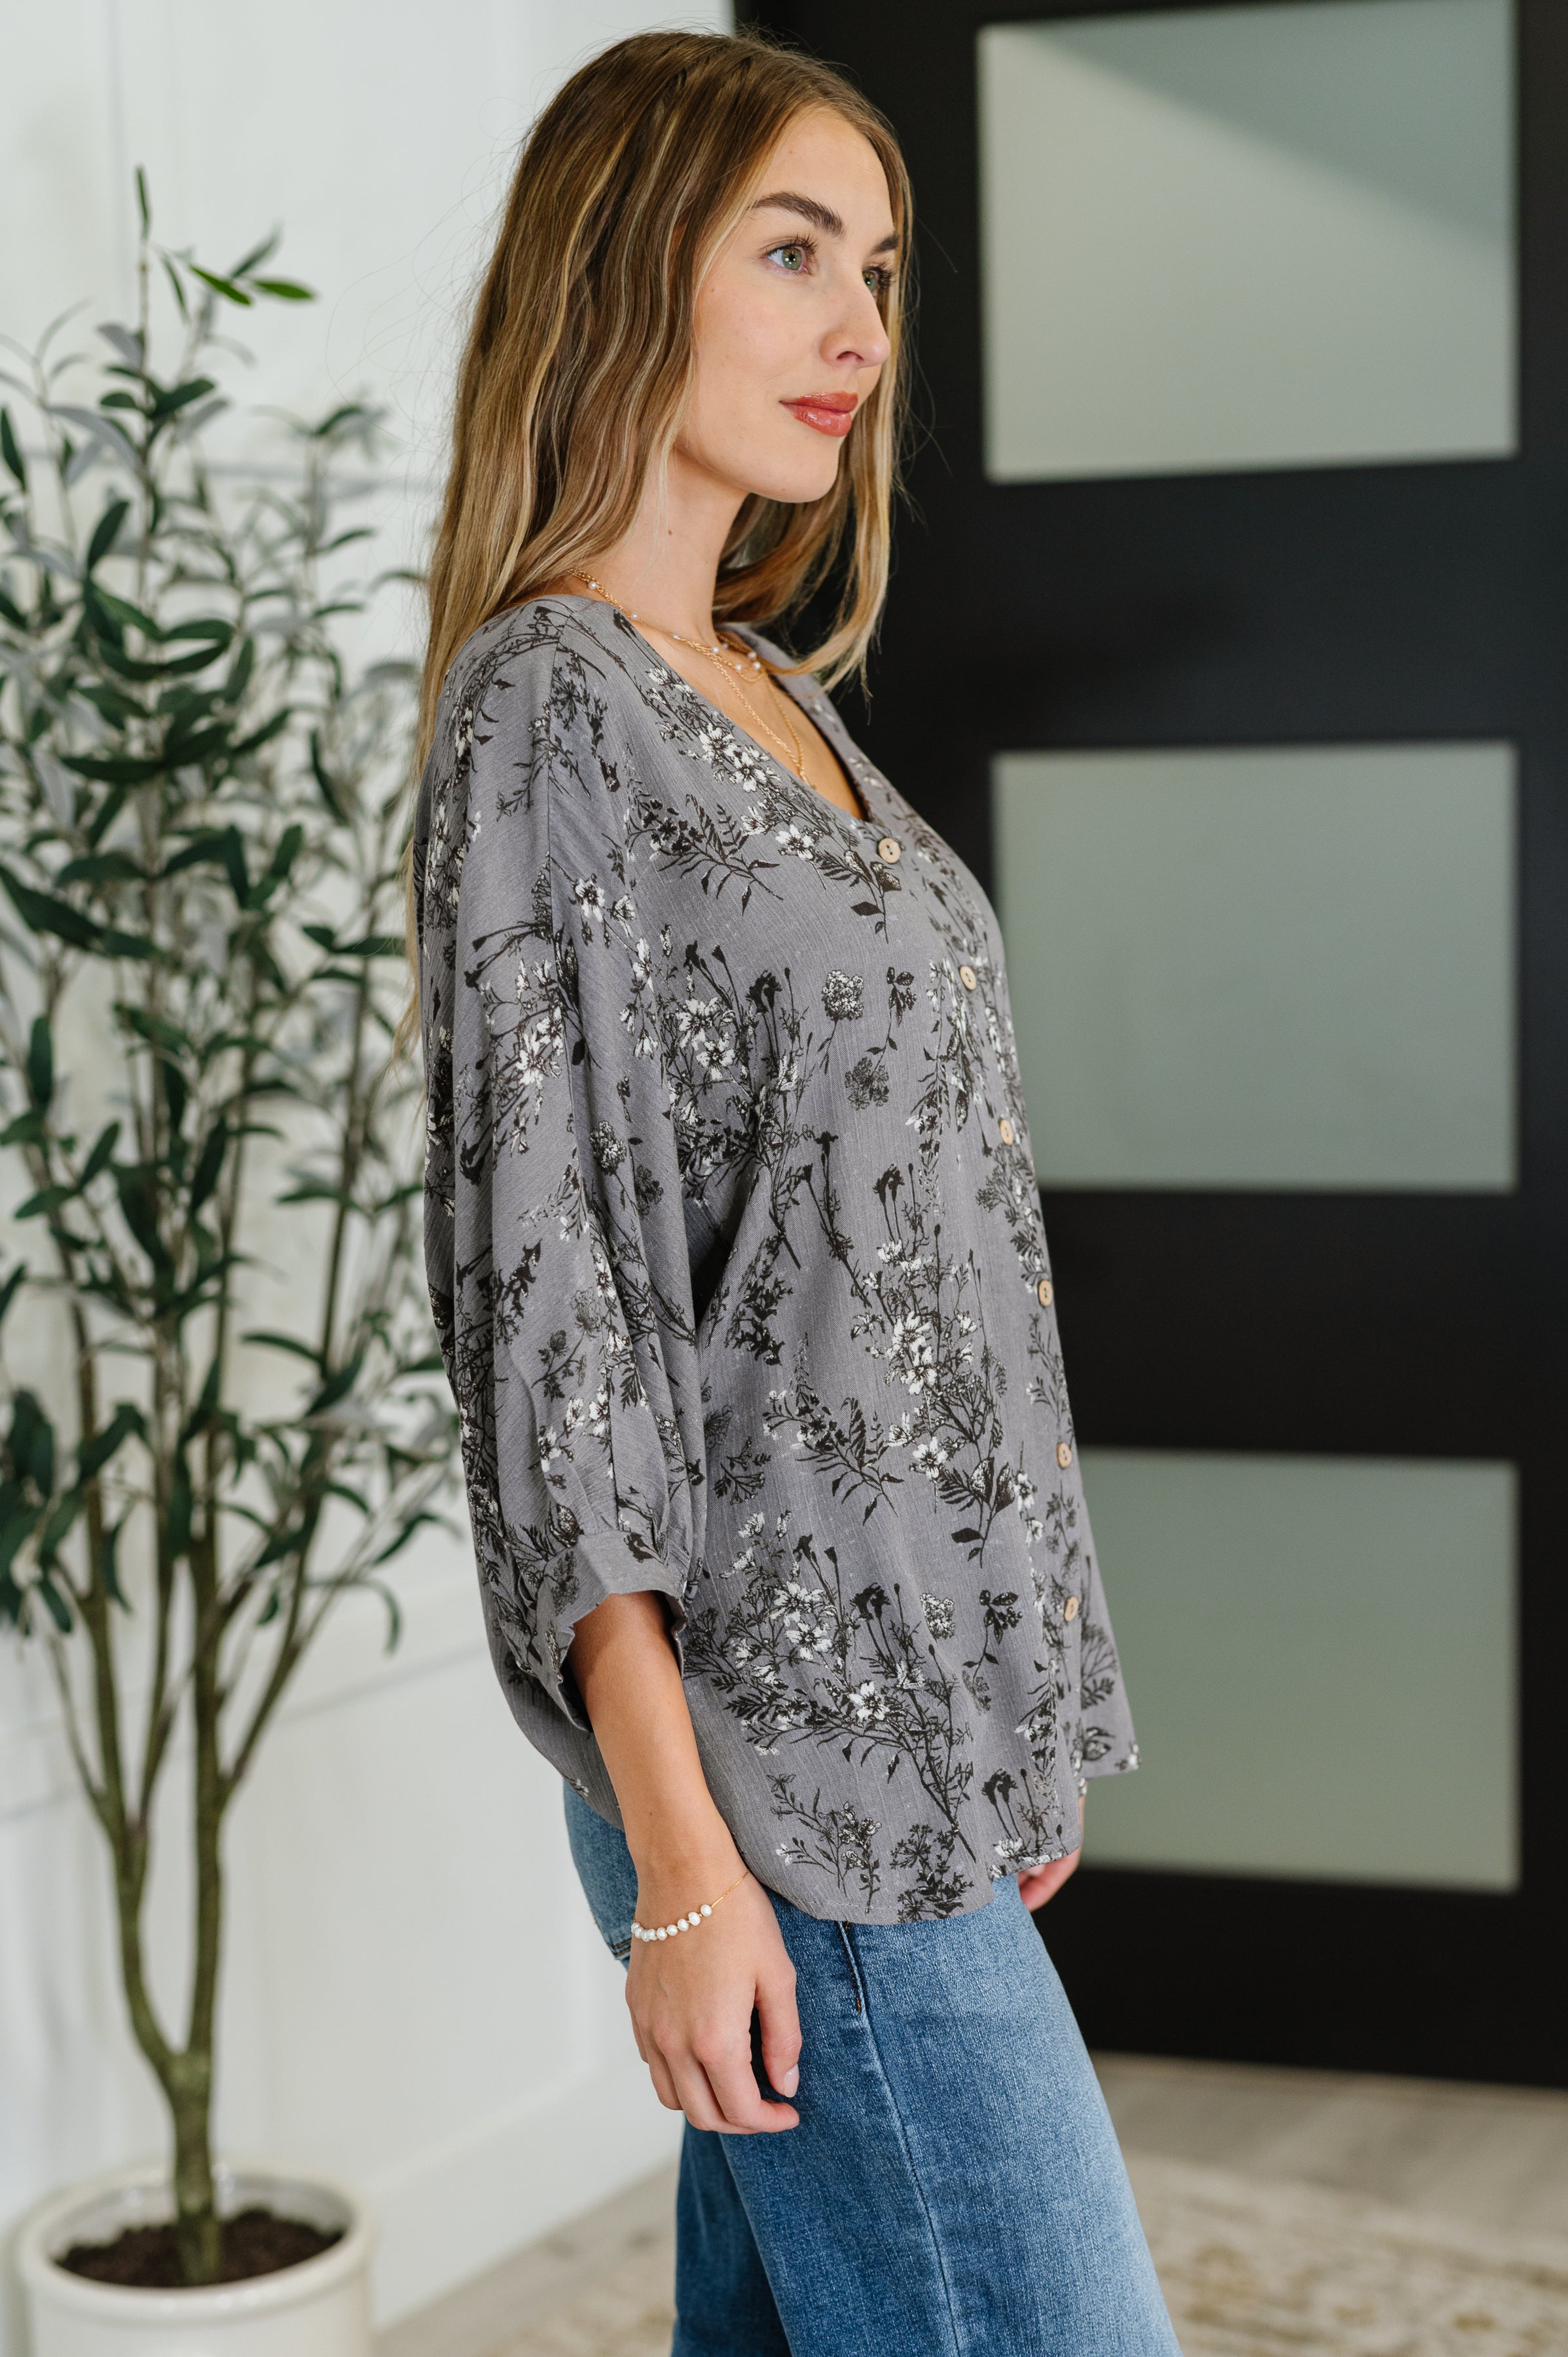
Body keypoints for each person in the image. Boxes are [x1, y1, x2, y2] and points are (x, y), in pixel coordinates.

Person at [405, 27, 1179, 2356]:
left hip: (920, 1728)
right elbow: (562, 1339)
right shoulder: (550, 714)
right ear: (629, 261)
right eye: (788, 250)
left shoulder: (763, 682)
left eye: (879, 268)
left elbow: (924, 1250)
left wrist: (1026, 1675)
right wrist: (676, 1873)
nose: (858, 326)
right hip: (782, 1769)